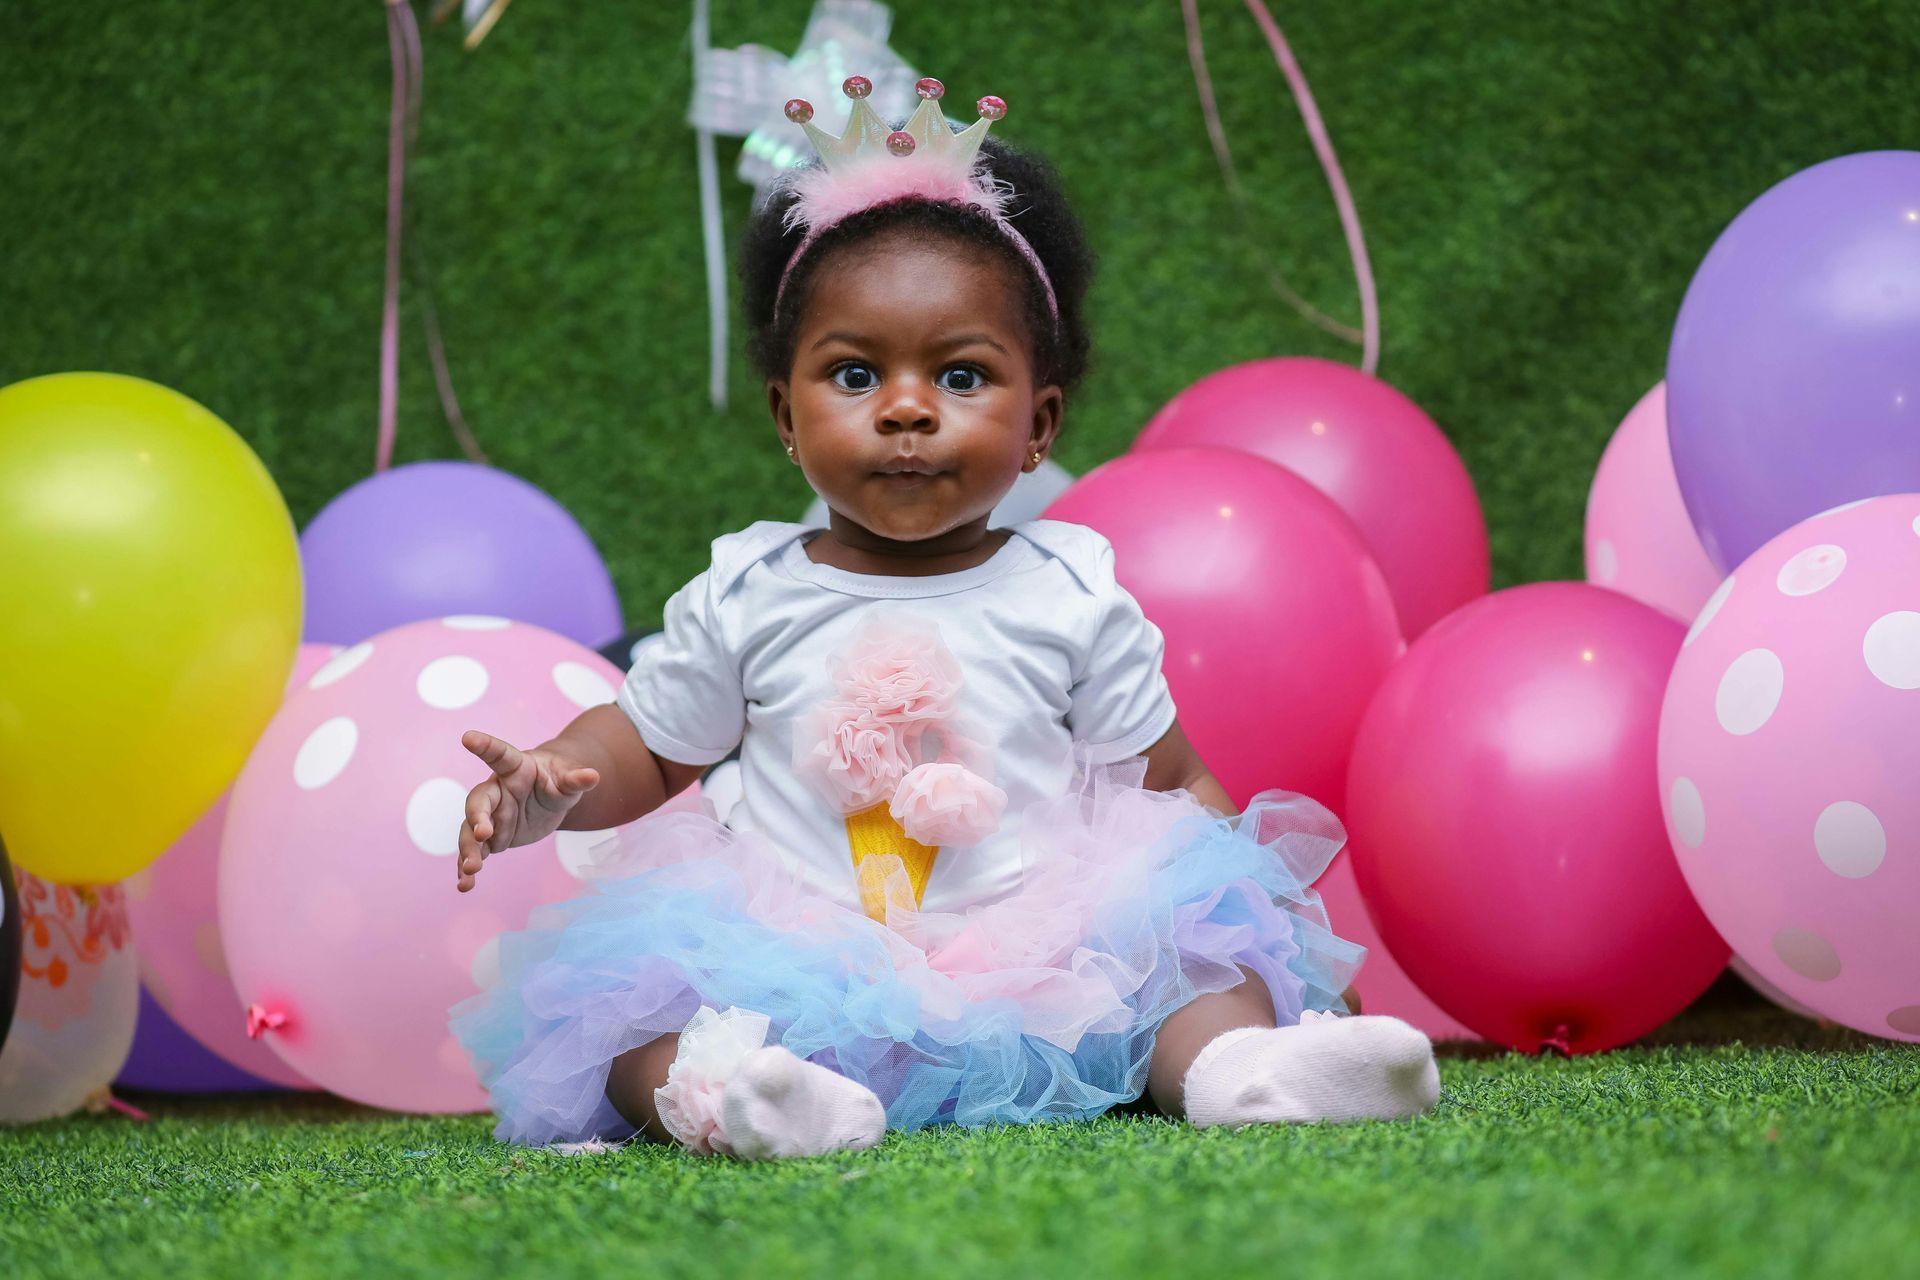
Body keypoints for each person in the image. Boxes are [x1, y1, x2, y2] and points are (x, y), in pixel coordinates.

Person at [450, 76, 1438, 1158]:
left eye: (961, 373)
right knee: (640, 1016)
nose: (908, 406)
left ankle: (1241, 1065)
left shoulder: (1068, 588)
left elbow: (1167, 779)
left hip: (1041, 957)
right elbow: (646, 743)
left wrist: (1243, 917)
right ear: (787, 414)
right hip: (804, 953)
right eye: (856, 372)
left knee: (1190, 955)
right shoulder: (749, 589)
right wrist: (554, 778)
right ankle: (748, 1099)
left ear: (1037, 423)